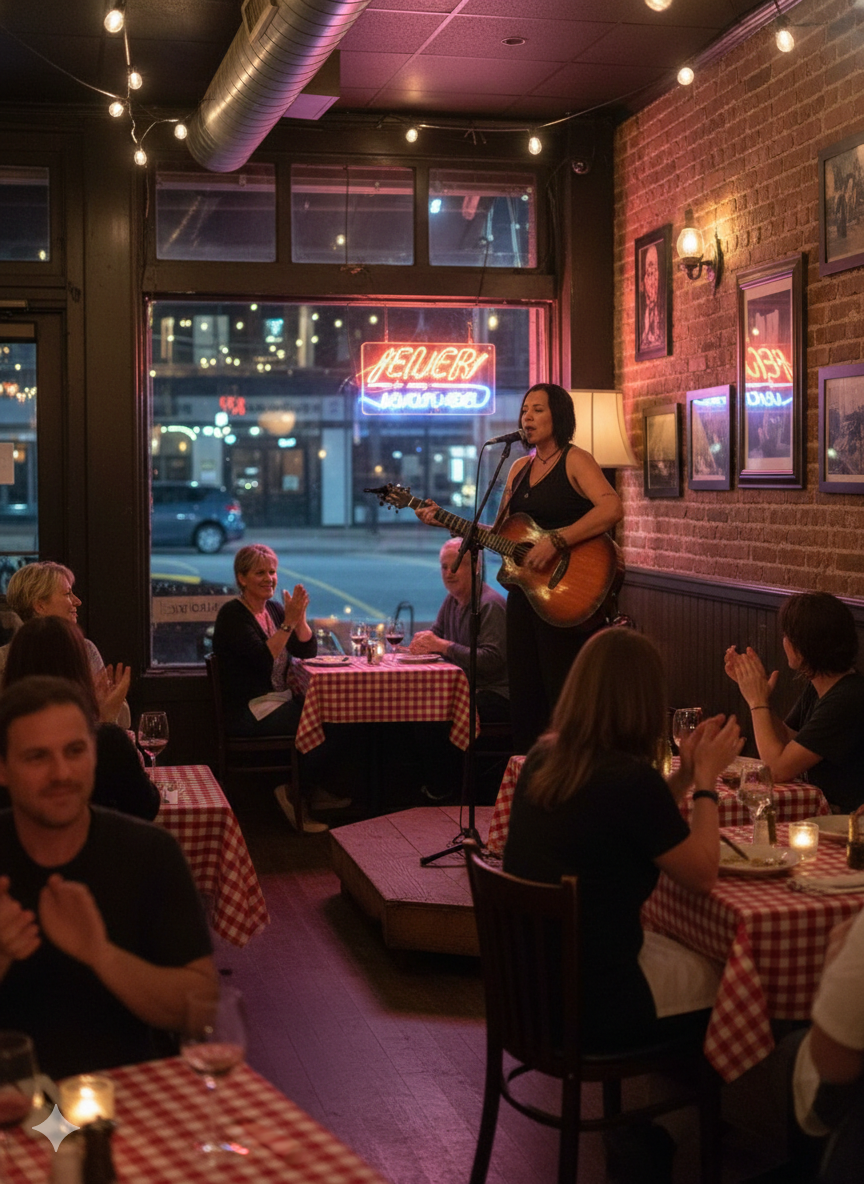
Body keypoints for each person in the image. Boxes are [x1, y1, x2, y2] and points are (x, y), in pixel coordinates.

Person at [504, 627, 743, 1053]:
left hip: (530, 988)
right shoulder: (630, 780)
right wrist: (706, 783)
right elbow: (704, 874)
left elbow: (632, 819)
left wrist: (686, 773)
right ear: (644, 699)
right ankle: (715, 1108)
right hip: (596, 1001)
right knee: (725, 973)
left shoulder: (545, 757)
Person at [0, 676, 216, 1080]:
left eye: (75, 751)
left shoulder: (150, 853)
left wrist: (101, 953)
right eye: (36, 757)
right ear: (4, 770)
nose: (61, 772)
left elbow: (201, 1006)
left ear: (95, 756)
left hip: (130, 1096)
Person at [212, 543, 347, 833]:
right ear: (241, 578)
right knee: (325, 719)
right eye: (260, 572)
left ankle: (308, 789)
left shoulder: (272, 609)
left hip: (276, 701)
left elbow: (307, 651)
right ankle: (292, 792)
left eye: (272, 572)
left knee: (339, 716)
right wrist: (287, 622)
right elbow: (262, 659)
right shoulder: (233, 615)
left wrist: (299, 620)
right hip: (249, 709)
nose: (269, 578)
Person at [2, 616, 159, 821]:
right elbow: (147, 807)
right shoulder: (106, 743)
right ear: (78, 670)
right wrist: (104, 722)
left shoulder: (8, 744)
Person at [724, 591, 864, 812]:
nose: (784, 641)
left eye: (787, 635)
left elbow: (777, 769)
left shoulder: (847, 698)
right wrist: (759, 696)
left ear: (803, 647)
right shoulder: (820, 685)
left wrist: (756, 701)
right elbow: (789, 740)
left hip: (846, 822)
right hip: (820, 811)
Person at [1, 561, 131, 728]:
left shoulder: (86, 650)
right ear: (40, 605)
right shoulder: (4, 660)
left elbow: (121, 719)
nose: (77, 601)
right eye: (67, 594)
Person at [408, 537, 509, 723]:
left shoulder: (490, 604)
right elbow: (434, 637)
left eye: (456, 566)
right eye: (444, 567)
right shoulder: (451, 600)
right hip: (464, 687)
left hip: (494, 693)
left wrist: (444, 646)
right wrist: (418, 645)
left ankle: (442, 753)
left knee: (429, 711)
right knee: (412, 704)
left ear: (475, 567)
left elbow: (493, 660)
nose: (449, 573)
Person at [639, 241, 663, 351]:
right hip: (651, 303)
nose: (650, 268)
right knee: (649, 317)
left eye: (653, 265)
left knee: (655, 315)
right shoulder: (646, 278)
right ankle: (649, 334)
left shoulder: (655, 276)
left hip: (654, 302)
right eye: (649, 265)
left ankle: (656, 334)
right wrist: (650, 300)